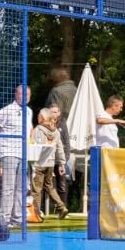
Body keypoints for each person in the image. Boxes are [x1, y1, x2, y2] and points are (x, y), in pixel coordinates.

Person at [0, 85, 32, 224]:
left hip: (24, 153)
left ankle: (18, 218)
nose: (25, 97)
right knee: (8, 187)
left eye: (27, 94)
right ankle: (4, 218)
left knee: (22, 187)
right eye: (22, 94)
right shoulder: (6, 110)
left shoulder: (29, 111)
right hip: (9, 151)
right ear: (16, 95)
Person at [44, 67, 77, 206]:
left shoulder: (56, 91)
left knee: (50, 177)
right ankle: (67, 206)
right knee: (68, 177)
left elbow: (48, 112)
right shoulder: (78, 90)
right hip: (77, 135)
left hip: (59, 135)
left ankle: (53, 206)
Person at [28, 107, 63, 217]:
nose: (37, 117)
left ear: (42, 118)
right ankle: (61, 206)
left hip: (39, 163)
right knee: (49, 187)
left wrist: (30, 137)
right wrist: (62, 162)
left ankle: (36, 213)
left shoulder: (38, 129)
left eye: (39, 115)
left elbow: (38, 146)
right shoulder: (56, 131)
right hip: (51, 163)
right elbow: (59, 147)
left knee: (36, 190)